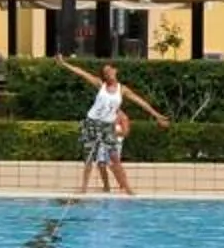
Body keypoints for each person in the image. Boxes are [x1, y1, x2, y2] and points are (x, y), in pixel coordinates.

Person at [70, 61, 168, 197]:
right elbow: (81, 72)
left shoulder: (122, 90)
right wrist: (64, 63)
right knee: (89, 157)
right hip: (92, 122)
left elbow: (140, 102)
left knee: (114, 157)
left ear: (115, 71)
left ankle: (127, 188)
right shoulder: (101, 85)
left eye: (110, 70)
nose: (108, 73)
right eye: (105, 72)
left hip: (107, 125)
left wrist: (156, 115)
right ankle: (84, 188)